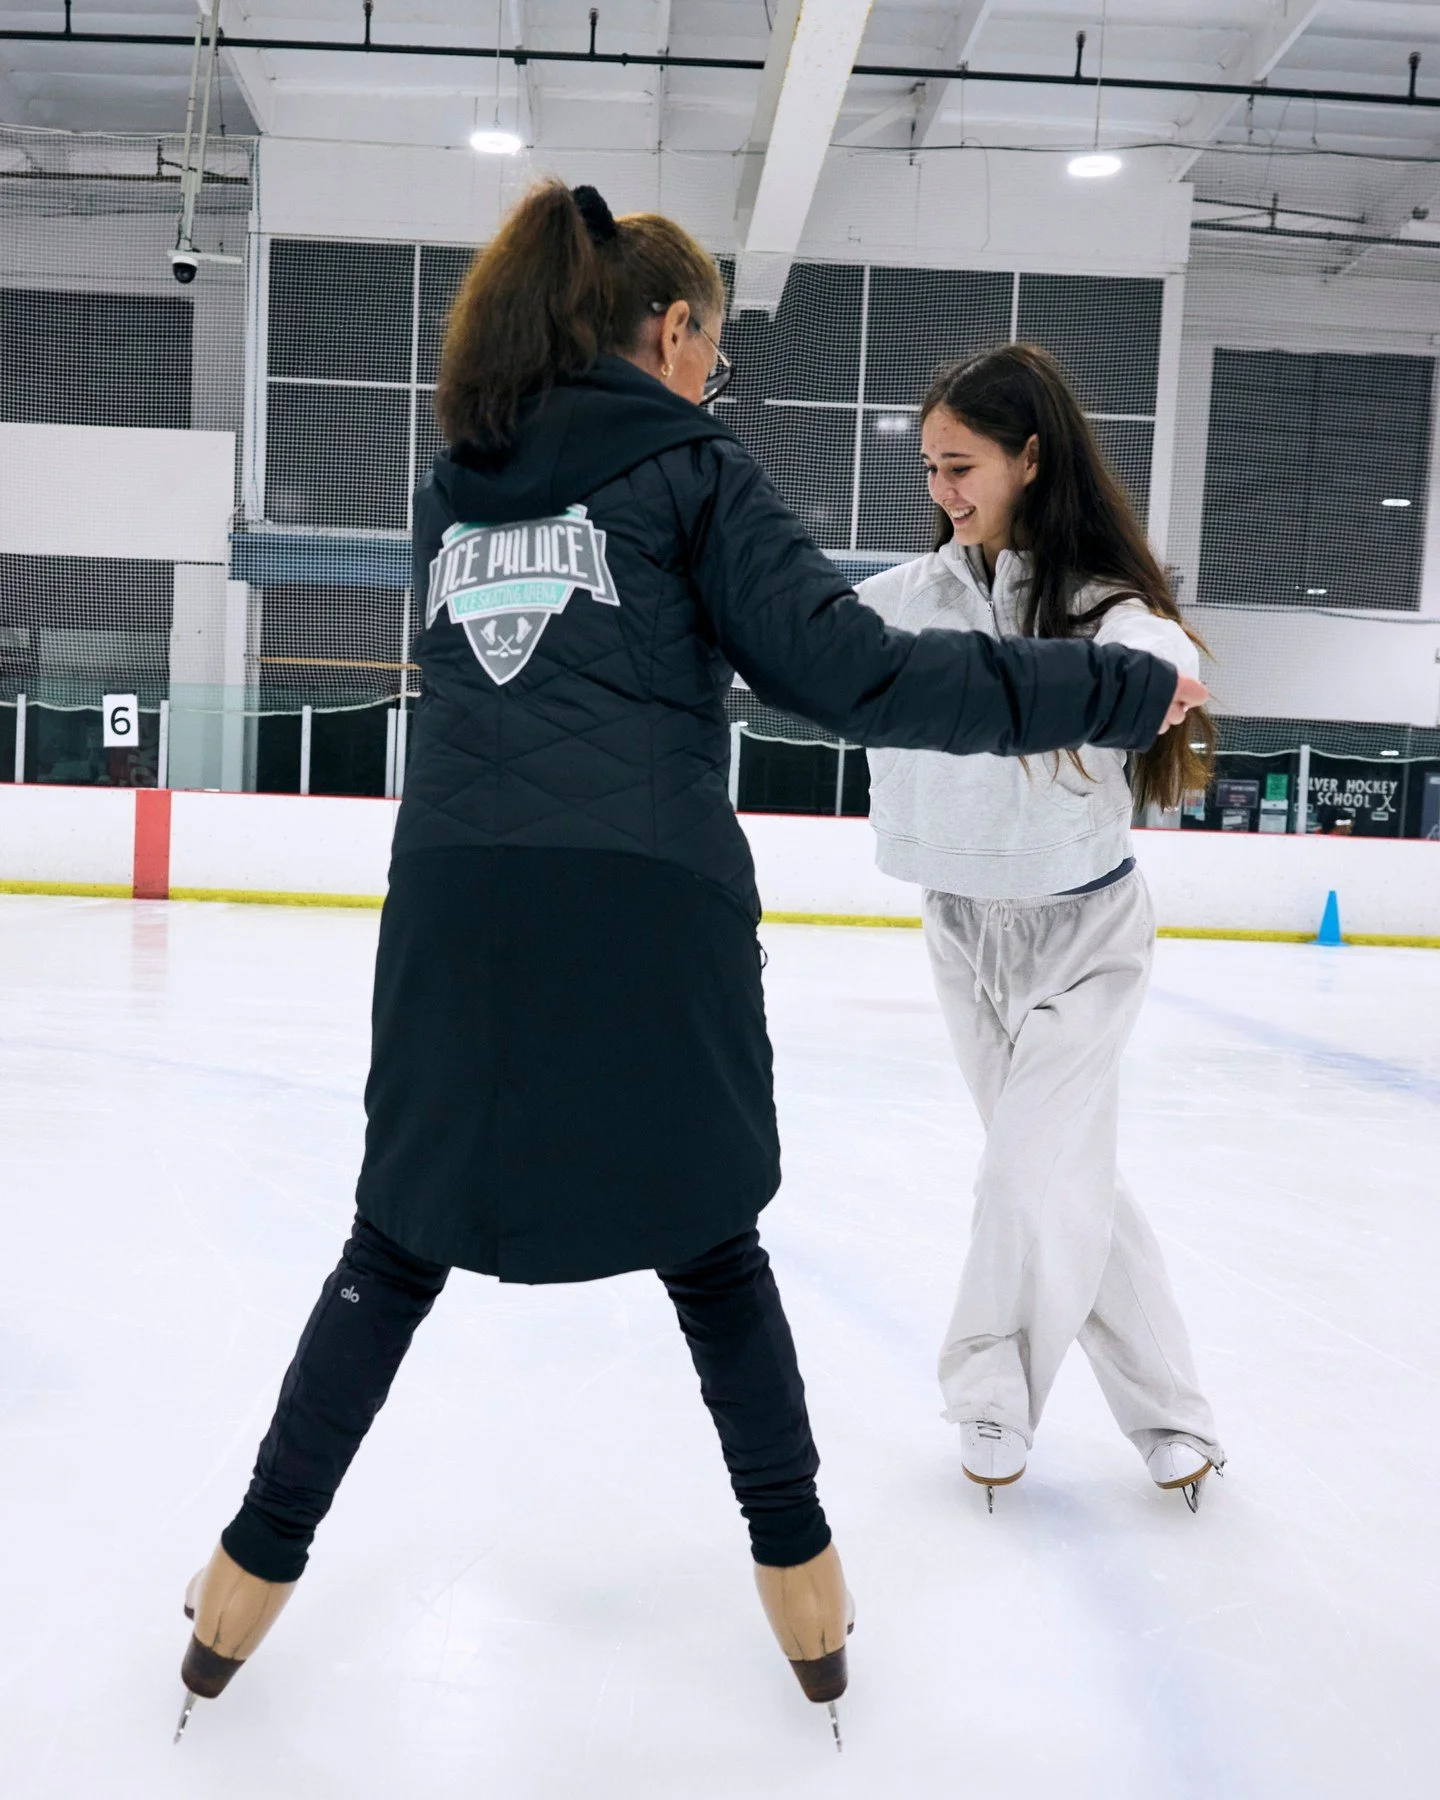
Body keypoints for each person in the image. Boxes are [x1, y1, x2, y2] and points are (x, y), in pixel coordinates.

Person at [175, 193, 1205, 1745]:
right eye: (711, 349)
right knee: (712, 1254)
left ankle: (238, 1587)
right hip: (644, 905)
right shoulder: (693, 465)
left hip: (449, 906)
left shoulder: (451, 488)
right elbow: (851, 672)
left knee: (393, 1250)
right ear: (670, 333)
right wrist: (1120, 687)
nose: (712, 382)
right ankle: (804, 1592)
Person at [858, 343, 1225, 1513]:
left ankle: (988, 1389)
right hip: (965, 933)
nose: (943, 492)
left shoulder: (1103, 610)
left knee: (1026, 1172)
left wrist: (1155, 666)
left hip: (1086, 936)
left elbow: (1161, 655)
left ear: (1030, 457)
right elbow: (800, 636)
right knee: (1072, 1181)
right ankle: (1173, 1418)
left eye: (961, 466)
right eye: (929, 470)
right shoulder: (909, 600)